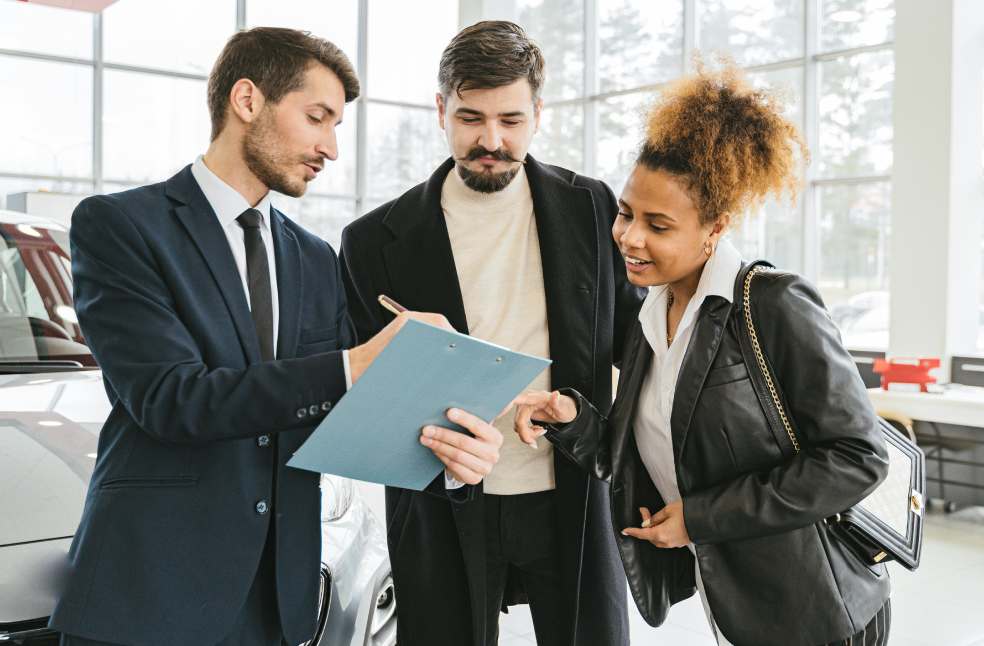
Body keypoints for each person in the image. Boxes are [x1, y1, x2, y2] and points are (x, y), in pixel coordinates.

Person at [50, 27, 502, 646]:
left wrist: (453, 441)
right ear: (247, 100)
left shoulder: (315, 258)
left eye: (336, 125)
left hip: (281, 602)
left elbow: (348, 414)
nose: (331, 148)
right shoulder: (122, 227)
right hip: (154, 594)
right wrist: (354, 364)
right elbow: (168, 399)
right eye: (318, 118)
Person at [513, 57, 892, 646]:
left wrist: (701, 518)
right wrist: (575, 422)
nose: (630, 238)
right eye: (625, 213)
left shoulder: (773, 305)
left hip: (814, 610)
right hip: (735, 603)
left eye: (658, 226)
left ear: (714, 229)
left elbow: (858, 456)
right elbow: (650, 456)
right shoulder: (650, 313)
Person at [340, 20, 643, 646]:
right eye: (471, 118)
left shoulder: (592, 207)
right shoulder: (373, 241)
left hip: (571, 489)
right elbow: (367, 396)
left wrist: (580, 414)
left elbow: (636, 348)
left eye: (511, 119)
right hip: (442, 503)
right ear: (440, 110)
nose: (492, 140)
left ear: (538, 111)